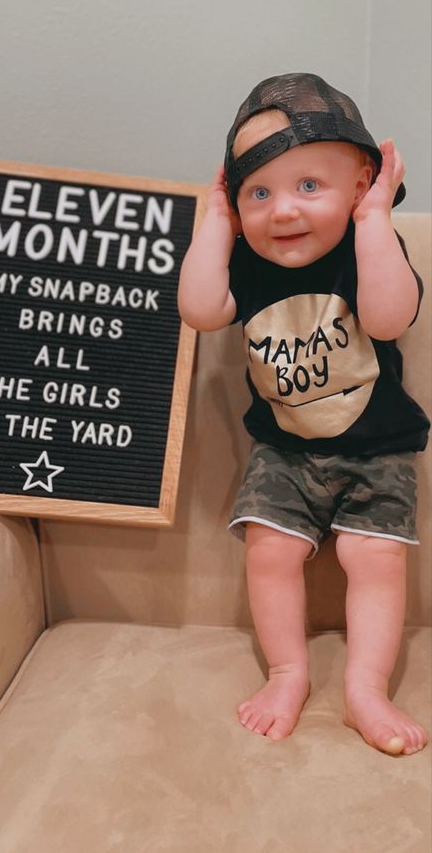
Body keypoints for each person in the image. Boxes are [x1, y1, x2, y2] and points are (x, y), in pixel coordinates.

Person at [178, 72, 430, 756]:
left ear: (360, 186)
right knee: (270, 550)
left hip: (377, 447)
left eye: (309, 187)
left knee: (372, 556)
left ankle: (365, 689)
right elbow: (201, 311)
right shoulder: (247, 263)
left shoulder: (366, 250)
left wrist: (376, 221)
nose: (283, 211)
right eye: (259, 192)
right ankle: (287, 672)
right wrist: (217, 222)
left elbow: (388, 316)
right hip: (284, 451)